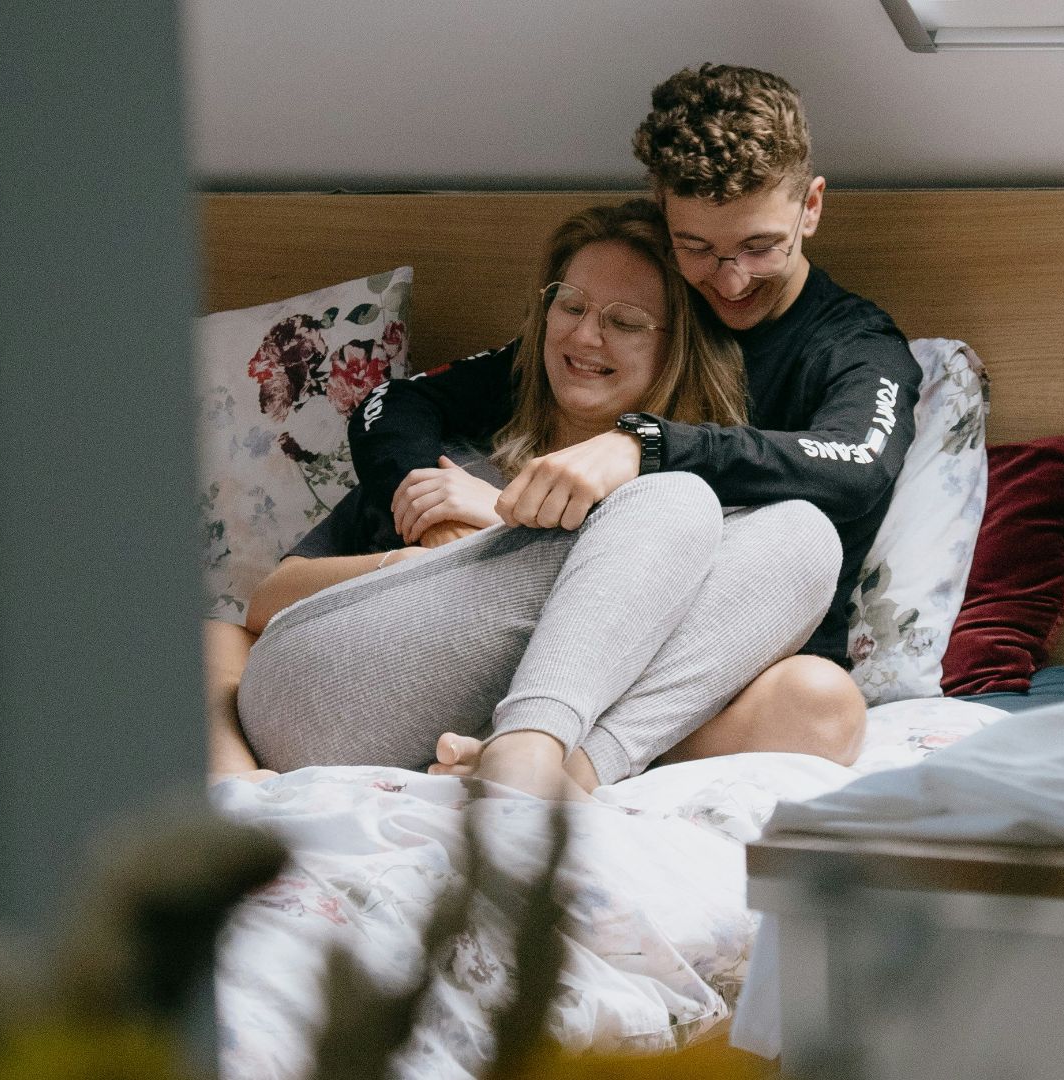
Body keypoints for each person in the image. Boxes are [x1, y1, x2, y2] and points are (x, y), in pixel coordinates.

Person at [347, 64, 920, 774]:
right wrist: (424, 506)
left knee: (819, 695)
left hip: (737, 667)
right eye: (698, 249)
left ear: (811, 207)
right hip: (569, 646)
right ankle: (541, 748)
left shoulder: (853, 347)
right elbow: (395, 401)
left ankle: (559, 761)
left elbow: (857, 468)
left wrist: (649, 448)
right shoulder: (637, 318)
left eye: (759, 247)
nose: (731, 281)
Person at [221, 200, 842, 799]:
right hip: (336, 694)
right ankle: (532, 746)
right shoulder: (449, 462)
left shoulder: (711, 506)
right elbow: (266, 602)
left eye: (625, 322)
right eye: (570, 306)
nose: (586, 335)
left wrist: (498, 517)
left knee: (806, 535)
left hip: (500, 728)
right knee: (676, 500)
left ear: (682, 350)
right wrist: (428, 559)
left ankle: (559, 764)